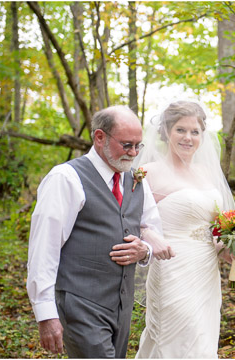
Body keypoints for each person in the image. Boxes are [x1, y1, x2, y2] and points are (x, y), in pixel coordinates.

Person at [26, 105, 159, 358]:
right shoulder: (66, 178)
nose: (133, 153)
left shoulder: (136, 179)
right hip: (80, 303)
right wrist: (45, 313)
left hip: (122, 305)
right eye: (126, 145)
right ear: (100, 137)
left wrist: (145, 250)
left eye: (138, 146)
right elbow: (44, 248)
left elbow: (152, 228)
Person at [133, 100, 235, 358]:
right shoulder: (148, 172)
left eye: (195, 131)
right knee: (176, 335)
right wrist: (149, 236)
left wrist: (226, 248)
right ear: (167, 131)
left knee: (203, 335)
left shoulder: (207, 173)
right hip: (171, 265)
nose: (188, 137)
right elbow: (130, 219)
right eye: (181, 130)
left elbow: (212, 225)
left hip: (205, 270)